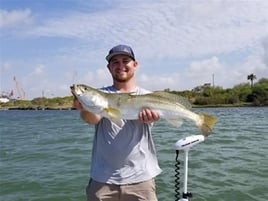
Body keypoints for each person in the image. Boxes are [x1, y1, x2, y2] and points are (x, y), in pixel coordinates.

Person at [73, 44, 162, 201]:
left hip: (141, 180)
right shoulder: (103, 96)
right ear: (109, 68)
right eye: (115, 62)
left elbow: (157, 117)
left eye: (125, 60)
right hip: (102, 181)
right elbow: (92, 119)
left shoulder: (148, 96)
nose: (120, 65)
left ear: (135, 65)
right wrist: (85, 108)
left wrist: (153, 117)